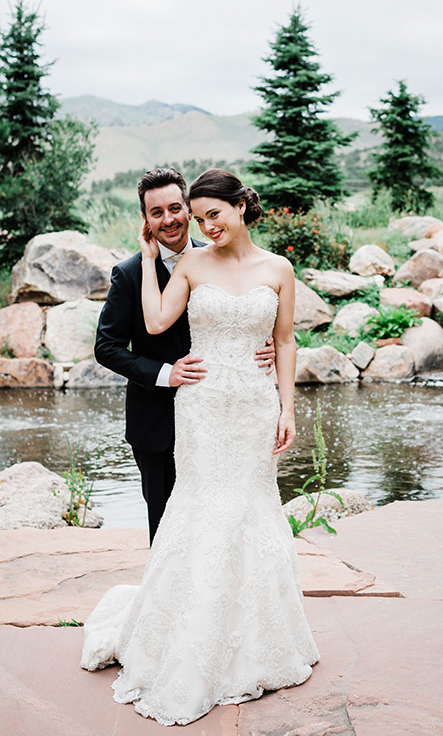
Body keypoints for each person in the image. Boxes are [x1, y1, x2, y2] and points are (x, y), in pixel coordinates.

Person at [81, 169, 319, 725]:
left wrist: (286, 404)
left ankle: (258, 639)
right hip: (196, 409)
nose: (196, 222)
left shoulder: (275, 267)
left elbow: (284, 339)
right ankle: (180, 635)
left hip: (252, 407)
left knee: (252, 517)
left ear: (239, 207)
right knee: (186, 521)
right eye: (162, 213)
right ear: (147, 219)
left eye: (206, 213)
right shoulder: (169, 266)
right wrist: (144, 265)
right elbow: (144, 327)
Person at [94, 167, 275, 543]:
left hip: (226, 418)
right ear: (145, 219)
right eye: (156, 212)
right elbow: (106, 347)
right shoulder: (128, 274)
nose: (168, 219)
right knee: (167, 533)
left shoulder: (222, 256)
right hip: (157, 423)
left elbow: (254, 309)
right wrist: (165, 373)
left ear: (188, 210)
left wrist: (263, 340)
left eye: (175, 208)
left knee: (226, 523)